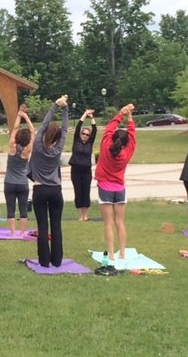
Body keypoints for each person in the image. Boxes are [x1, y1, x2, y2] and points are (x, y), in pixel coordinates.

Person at [26, 95, 69, 268]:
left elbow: (43, 126)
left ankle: (44, 261)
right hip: (56, 190)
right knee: (56, 226)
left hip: (40, 190)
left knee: (43, 226)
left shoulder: (37, 145)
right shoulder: (58, 149)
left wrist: (54, 106)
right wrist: (65, 109)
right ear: (58, 137)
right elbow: (65, 130)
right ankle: (57, 260)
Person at [94, 104, 136, 261]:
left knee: (108, 223)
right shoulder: (127, 153)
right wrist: (129, 117)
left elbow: (109, 128)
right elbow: (132, 136)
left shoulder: (105, 146)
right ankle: (123, 253)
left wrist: (120, 114)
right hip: (119, 189)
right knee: (120, 222)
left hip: (104, 188)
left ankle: (111, 255)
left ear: (112, 139)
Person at [3, 104, 35, 237]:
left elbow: (15, 128)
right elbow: (33, 131)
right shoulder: (27, 150)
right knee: (23, 209)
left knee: (10, 209)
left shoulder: (12, 147)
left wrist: (18, 115)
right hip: (22, 183)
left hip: (9, 182)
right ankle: (22, 233)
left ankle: (12, 233)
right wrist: (25, 117)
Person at [68, 108, 97, 221]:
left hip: (86, 170)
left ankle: (86, 215)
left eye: (87, 134)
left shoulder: (90, 143)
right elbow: (78, 126)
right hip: (75, 170)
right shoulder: (76, 141)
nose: (85, 135)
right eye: (83, 133)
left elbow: (94, 130)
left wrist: (92, 118)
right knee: (78, 191)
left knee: (86, 191)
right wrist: (85, 114)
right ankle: (81, 215)